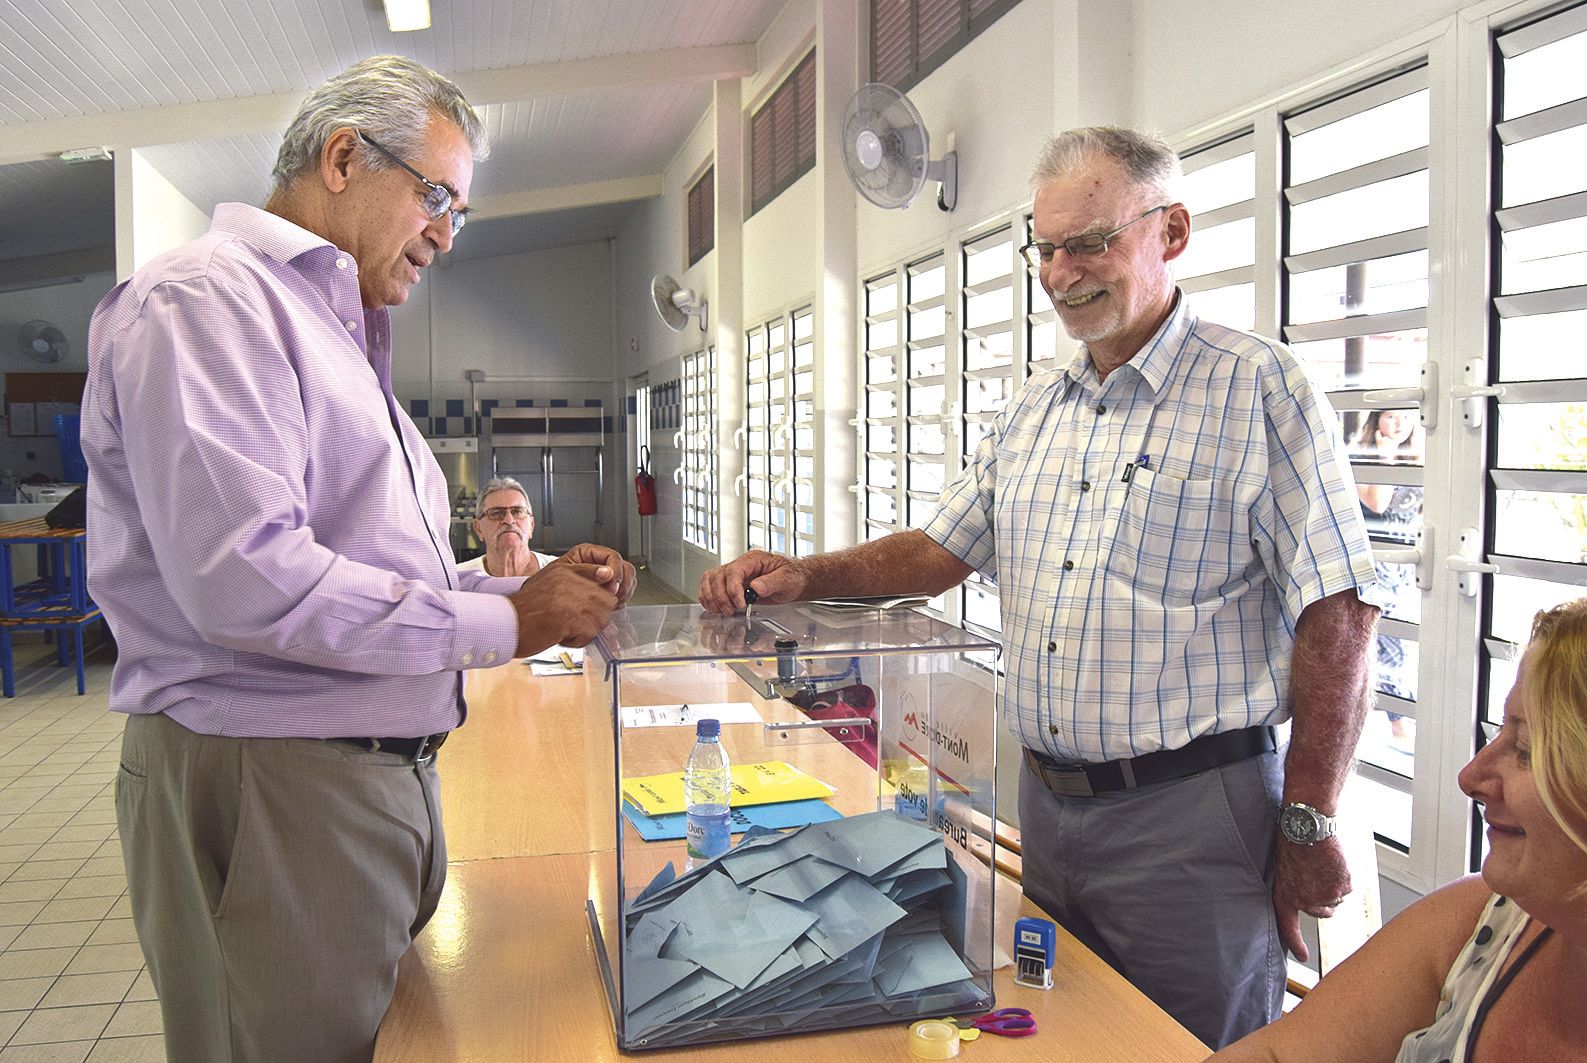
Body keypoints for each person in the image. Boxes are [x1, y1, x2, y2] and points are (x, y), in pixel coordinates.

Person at [699, 126, 1381, 1048]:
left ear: (1169, 232)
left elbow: (1336, 612)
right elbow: (942, 548)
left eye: (1091, 242)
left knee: (1191, 1042)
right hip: (1048, 811)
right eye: (1046, 248)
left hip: (1192, 821)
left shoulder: (1258, 388)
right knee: (1062, 1031)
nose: (1062, 274)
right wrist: (803, 575)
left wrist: (1306, 818)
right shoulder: (1035, 406)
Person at [82, 56, 635, 1063]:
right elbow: (247, 579)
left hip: (367, 785)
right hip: (274, 784)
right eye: (437, 199)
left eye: (460, 215)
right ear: (342, 158)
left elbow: (381, 574)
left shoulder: (340, 339)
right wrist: (510, 623)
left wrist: (526, 588)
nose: (444, 238)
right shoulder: (206, 303)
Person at [1210, 599, 1587, 1061]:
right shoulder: (1482, 922)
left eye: (1527, 750)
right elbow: (1278, 1054)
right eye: (1500, 735)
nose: (1471, 777)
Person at [1354, 410, 1424, 728]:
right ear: (1376, 420)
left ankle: (1397, 719)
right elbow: (1378, 502)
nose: (1399, 424)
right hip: (1376, 564)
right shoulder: (1363, 455)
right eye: (1392, 416)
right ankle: (1398, 723)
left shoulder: (1416, 456)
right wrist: (1386, 456)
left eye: (1406, 418)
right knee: (1386, 640)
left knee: (1402, 641)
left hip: (1404, 565)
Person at [459, 476, 556, 577]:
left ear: (531, 525)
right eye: (496, 513)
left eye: (517, 511)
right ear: (478, 529)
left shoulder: (562, 572)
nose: (509, 521)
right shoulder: (457, 579)